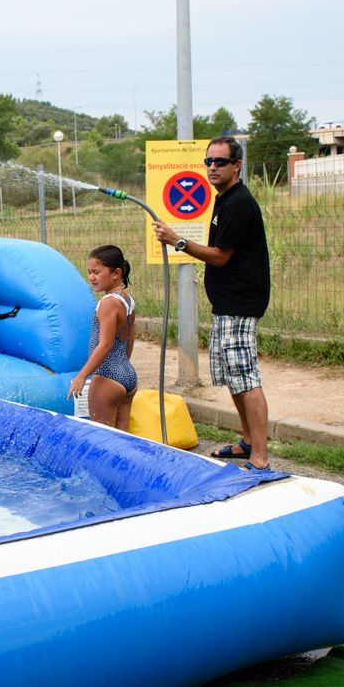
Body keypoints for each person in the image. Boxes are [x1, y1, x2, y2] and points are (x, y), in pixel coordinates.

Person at [153, 136, 272, 471]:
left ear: (237, 165)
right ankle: (247, 441)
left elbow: (220, 257)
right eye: (209, 161)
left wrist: (177, 241)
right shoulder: (224, 199)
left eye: (220, 162)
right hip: (226, 303)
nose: (212, 167)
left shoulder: (238, 203)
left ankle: (260, 458)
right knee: (232, 376)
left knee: (246, 377)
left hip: (241, 304)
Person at [67, 245, 138, 430]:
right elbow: (129, 340)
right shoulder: (127, 300)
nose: (91, 277)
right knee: (123, 439)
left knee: (104, 439)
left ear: (116, 273)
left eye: (97, 272)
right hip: (128, 374)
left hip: (107, 376)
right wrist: (122, 369)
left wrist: (81, 376)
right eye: (89, 272)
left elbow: (105, 345)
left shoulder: (107, 303)